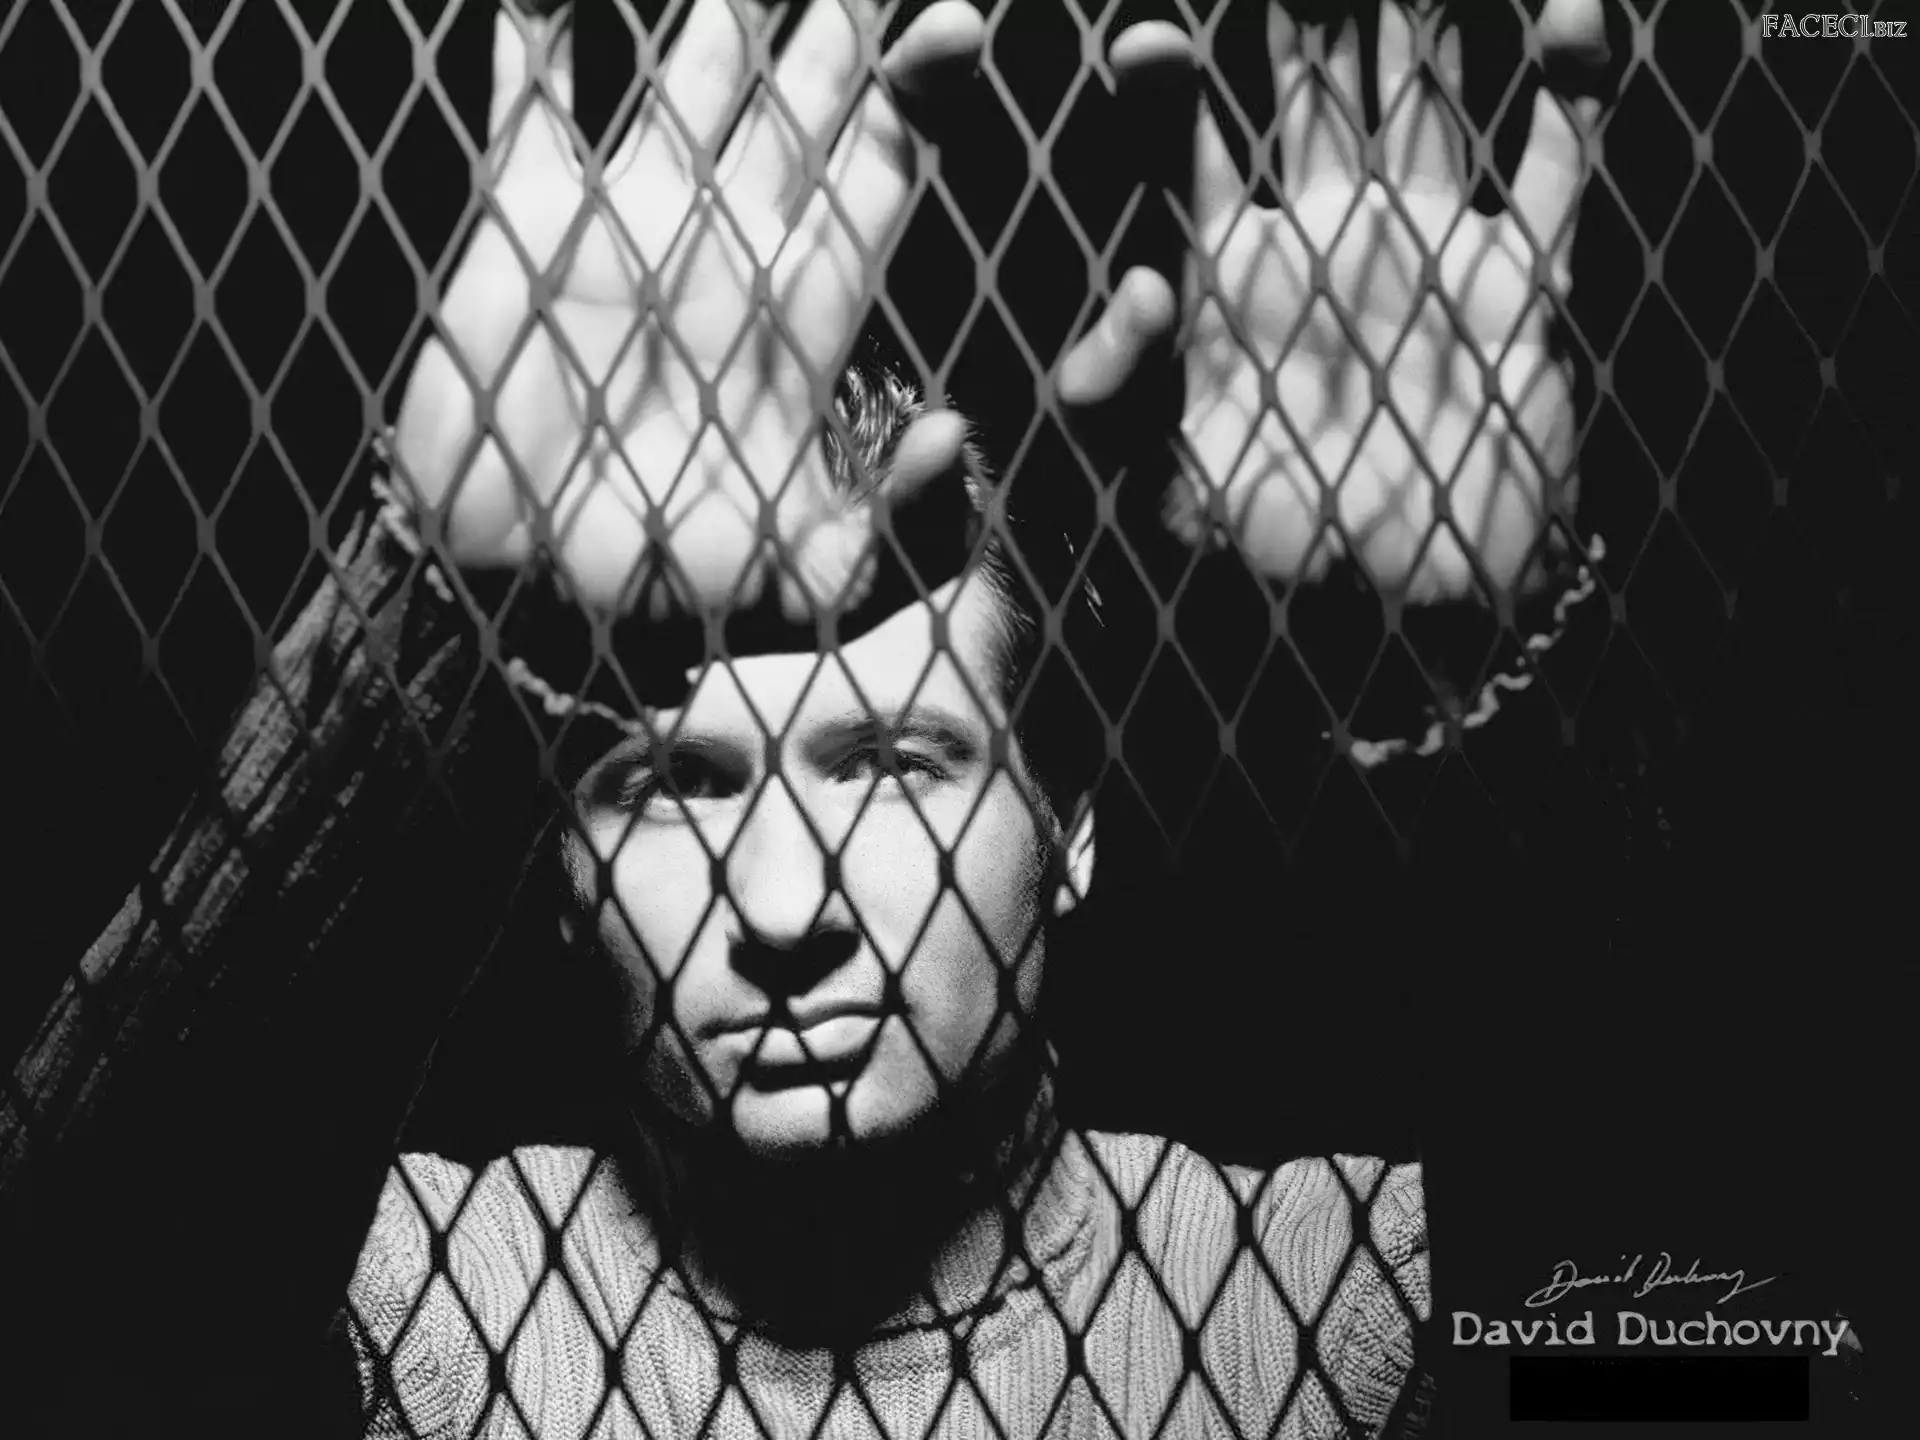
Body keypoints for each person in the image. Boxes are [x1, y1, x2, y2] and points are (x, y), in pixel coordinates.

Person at [6, 0, 1607, 1436]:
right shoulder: (414, 1300)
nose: (784, 910)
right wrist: (440, 630)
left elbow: (1737, 1322)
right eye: (674, 784)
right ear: (555, 868)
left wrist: (1493, 695)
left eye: (894, 765)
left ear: (1072, 825)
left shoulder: (1325, 1303)